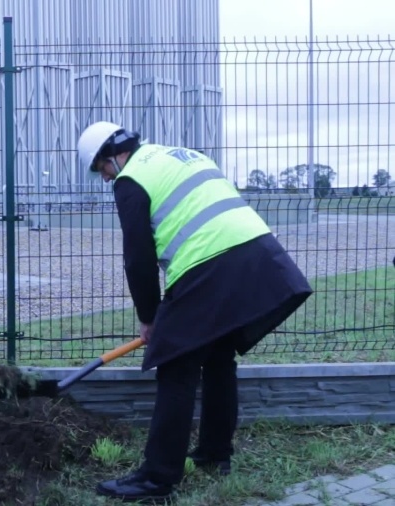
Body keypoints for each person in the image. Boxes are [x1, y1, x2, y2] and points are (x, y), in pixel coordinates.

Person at [76, 121, 313, 503]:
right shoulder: (184, 156)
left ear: (113, 155)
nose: (105, 179)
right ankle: (213, 455)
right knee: (218, 357)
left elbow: (138, 257)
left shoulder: (132, 177)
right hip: (257, 255)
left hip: (210, 264)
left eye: (101, 169)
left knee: (176, 366)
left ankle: (156, 479)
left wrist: (150, 316)